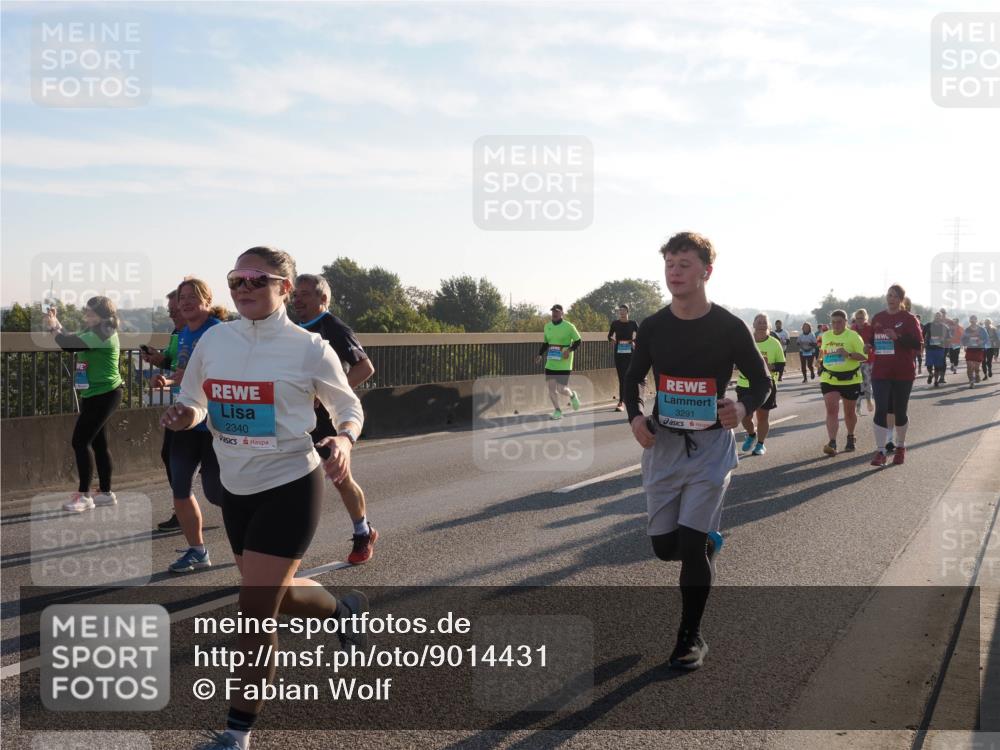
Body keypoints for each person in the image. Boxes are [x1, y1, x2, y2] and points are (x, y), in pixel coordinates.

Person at [162, 246, 367, 750]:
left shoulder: (309, 347)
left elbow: (349, 404)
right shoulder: (215, 341)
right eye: (236, 279)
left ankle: (237, 734)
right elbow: (193, 401)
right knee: (278, 591)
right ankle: (344, 612)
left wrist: (342, 438)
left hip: (291, 483)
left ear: (284, 287)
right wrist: (183, 416)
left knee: (254, 609)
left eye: (257, 279)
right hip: (237, 489)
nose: (244, 288)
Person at [625, 232, 770, 671]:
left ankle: (690, 638)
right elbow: (631, 380)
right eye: (669, 264)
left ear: (706, 272)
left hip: (710, 450)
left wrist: (742, 406)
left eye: (684, 264)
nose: (674, 271)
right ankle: (707, 542)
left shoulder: (728, 326)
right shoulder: (652, 327)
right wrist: (634, 417)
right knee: (664, 547)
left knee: (689, 548)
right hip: (664, 447)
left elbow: (762, 381)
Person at [292, 273, 378, 565]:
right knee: (290, 482)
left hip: (329, 420)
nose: (297, 299)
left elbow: (365, 368)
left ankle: (363, 531)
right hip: (297, 417)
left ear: (323, 299)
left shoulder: (334, 328)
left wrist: (327, 393)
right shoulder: (290, 329)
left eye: (305, 294)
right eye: (296, 294)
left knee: (341, 480)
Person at [152, 279, 225, 573]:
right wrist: (166, 376)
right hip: (185, 422)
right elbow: (183, 371)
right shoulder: (183, 333)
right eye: (181, 297)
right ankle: (198, 551)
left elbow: (208, 372)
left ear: (206, 300)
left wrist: (172, 378)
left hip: (214, 424)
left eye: (192, 297)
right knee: (179, 488)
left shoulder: (219, 331)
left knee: (217, 493)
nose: (185, 302)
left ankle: (253, 540)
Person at [45, 298, 124, 512]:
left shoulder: (102, 333)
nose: (86, 317)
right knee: (98, 444)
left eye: (90, 314)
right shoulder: (96, 331)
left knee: (80, 441)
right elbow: (71, 338)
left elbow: (68, 345)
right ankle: (106, 493)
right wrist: (56, 322)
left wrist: (53, 327)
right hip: (97, 394)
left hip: (105, 395)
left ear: (103, 316)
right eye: (86, 313)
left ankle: (84, 496)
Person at [866, 284, 923, 467]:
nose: (890, 298)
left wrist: (897, 337)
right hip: (881, 372)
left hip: (903, 372)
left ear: (901, 299)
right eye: (888, 295)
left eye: (894, 296)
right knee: (881, 409)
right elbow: (871, 339)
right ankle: (880, 451)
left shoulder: (908, 318)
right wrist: (868, 345)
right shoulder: (878, 317)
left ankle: (900, 446)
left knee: (900, 412)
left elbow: (917, 343)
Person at [143, 289, 185, 531]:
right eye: (169, 311)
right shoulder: (177, 332)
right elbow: (174, 363)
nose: (172, 316)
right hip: (181, 402)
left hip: (202, 405)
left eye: (174, 311)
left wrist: (168, 379)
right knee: (170, 455)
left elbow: (191, 368)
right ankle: (181, 509)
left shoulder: (205, 332)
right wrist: (159, 360)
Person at [819, 310, 867, 455]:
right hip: (829, 378)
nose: (836, 325)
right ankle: (832, 442)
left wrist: (848, 354)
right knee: (831, 410)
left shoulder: (853, 336)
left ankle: (851, 436)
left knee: (849, 412)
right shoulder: (826, 336)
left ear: (846, 322)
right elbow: (823, 352)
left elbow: (863, 356)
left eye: (839, 322)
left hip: (850, 379)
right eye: (833, 322)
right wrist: (819, 360)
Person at [738, 313, 784, 455]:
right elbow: (736, 360)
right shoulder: (745, 341)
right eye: (759, 322)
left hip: (766, 384)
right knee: (745, 416)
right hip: (745, 384)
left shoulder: (774, 343)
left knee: (763, 416)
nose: (762, 324)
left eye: (765, 322)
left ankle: (760, 444)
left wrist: (771, 367)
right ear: (753, 324)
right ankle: (751, 434)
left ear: (768, 325)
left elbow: (781, 364)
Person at [535, 305, 582, 420]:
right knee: (551, 388)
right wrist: (540, 354)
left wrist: (569, 350)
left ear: (562, 313)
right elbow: (546, 343)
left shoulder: (569, 326)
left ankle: (572, 395)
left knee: (561, 389)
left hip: (564, 363)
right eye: (553, 312)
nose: (554, 314)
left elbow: (578, 341)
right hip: (551, 362)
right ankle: (558, 410)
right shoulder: (547, 326)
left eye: (557, 312)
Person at [608, 303, 640, 412]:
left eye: (623, 310)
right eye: (620, 311)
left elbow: (641, 335)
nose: (621, 312)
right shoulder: (615, 323)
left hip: (630, 353)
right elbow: (609, 336)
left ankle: (631, 399)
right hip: (619, 353)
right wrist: (612, 340)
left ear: (627, 312)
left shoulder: (633, 323)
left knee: (628, 377)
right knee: (621, 378)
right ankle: (621, 402)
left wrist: (634, 342)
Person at [850, 309, 875, 415]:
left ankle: (869, 400)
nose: (859, 320)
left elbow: (875, 342)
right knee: (858, 384)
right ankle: (858, 406)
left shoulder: (870, 328)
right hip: (856, 360)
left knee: (867, 382)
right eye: (858, 318)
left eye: (862, 318)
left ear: (866, 318)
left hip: (869, 360)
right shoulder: (852, 329)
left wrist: (869, 345)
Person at [923, 310, 951, 387]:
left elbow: (948, 339)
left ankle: (936, 381)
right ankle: (930, 374)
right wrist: (923, 343)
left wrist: (946, 348)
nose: (937, 317)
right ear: (934, 317)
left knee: (937, 366)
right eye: (936, 316)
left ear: (941, 318)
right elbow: (922, 334)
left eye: (939, 316)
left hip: (940, 349)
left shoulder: (944, 327)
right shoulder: (928, 325)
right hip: (930, 349)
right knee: (929, 366)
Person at [961, 315, 989, 388]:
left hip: (979, 350)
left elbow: (986, 339)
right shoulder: (967, 329)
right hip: (970, 349)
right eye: (971, 319)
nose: (972, 321)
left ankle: (977, 374)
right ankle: (971, 382)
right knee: (969, 367)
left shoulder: (982, 329)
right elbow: (963, 339)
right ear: (970, 321)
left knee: (976, 367)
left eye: (974, 319)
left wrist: (981, 342)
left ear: (976, 320)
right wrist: (965, 344)